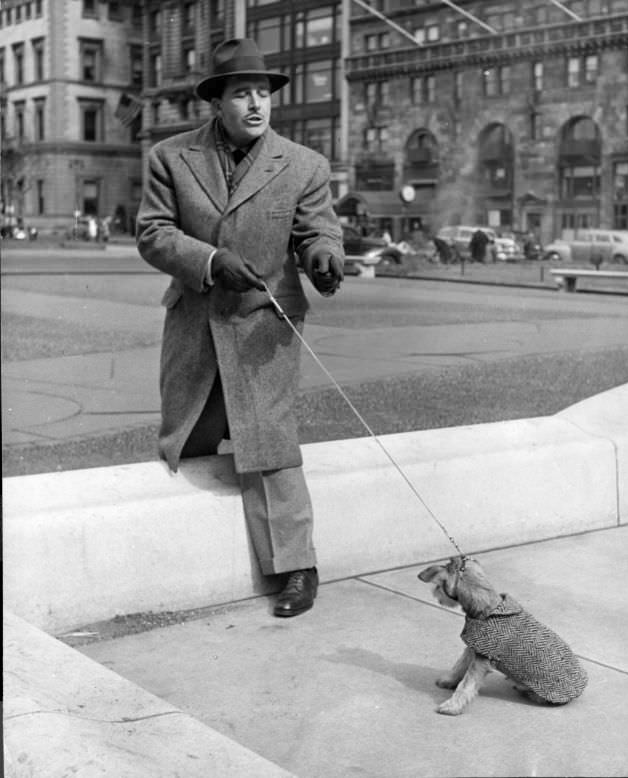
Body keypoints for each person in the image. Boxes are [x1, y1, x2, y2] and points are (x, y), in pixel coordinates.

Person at [136, 38, 345, 618]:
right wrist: (208, 260)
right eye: (241, 93)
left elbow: (316, 233)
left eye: (263, 93)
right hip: (195, 324)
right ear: (216, 102)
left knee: (269, 444)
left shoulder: (305, 165)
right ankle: (181, 568)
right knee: (189, 442)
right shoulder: (170, 158)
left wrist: (325, 256)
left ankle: (297, 571)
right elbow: (153, 233)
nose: (256, 104)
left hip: (264, 327)